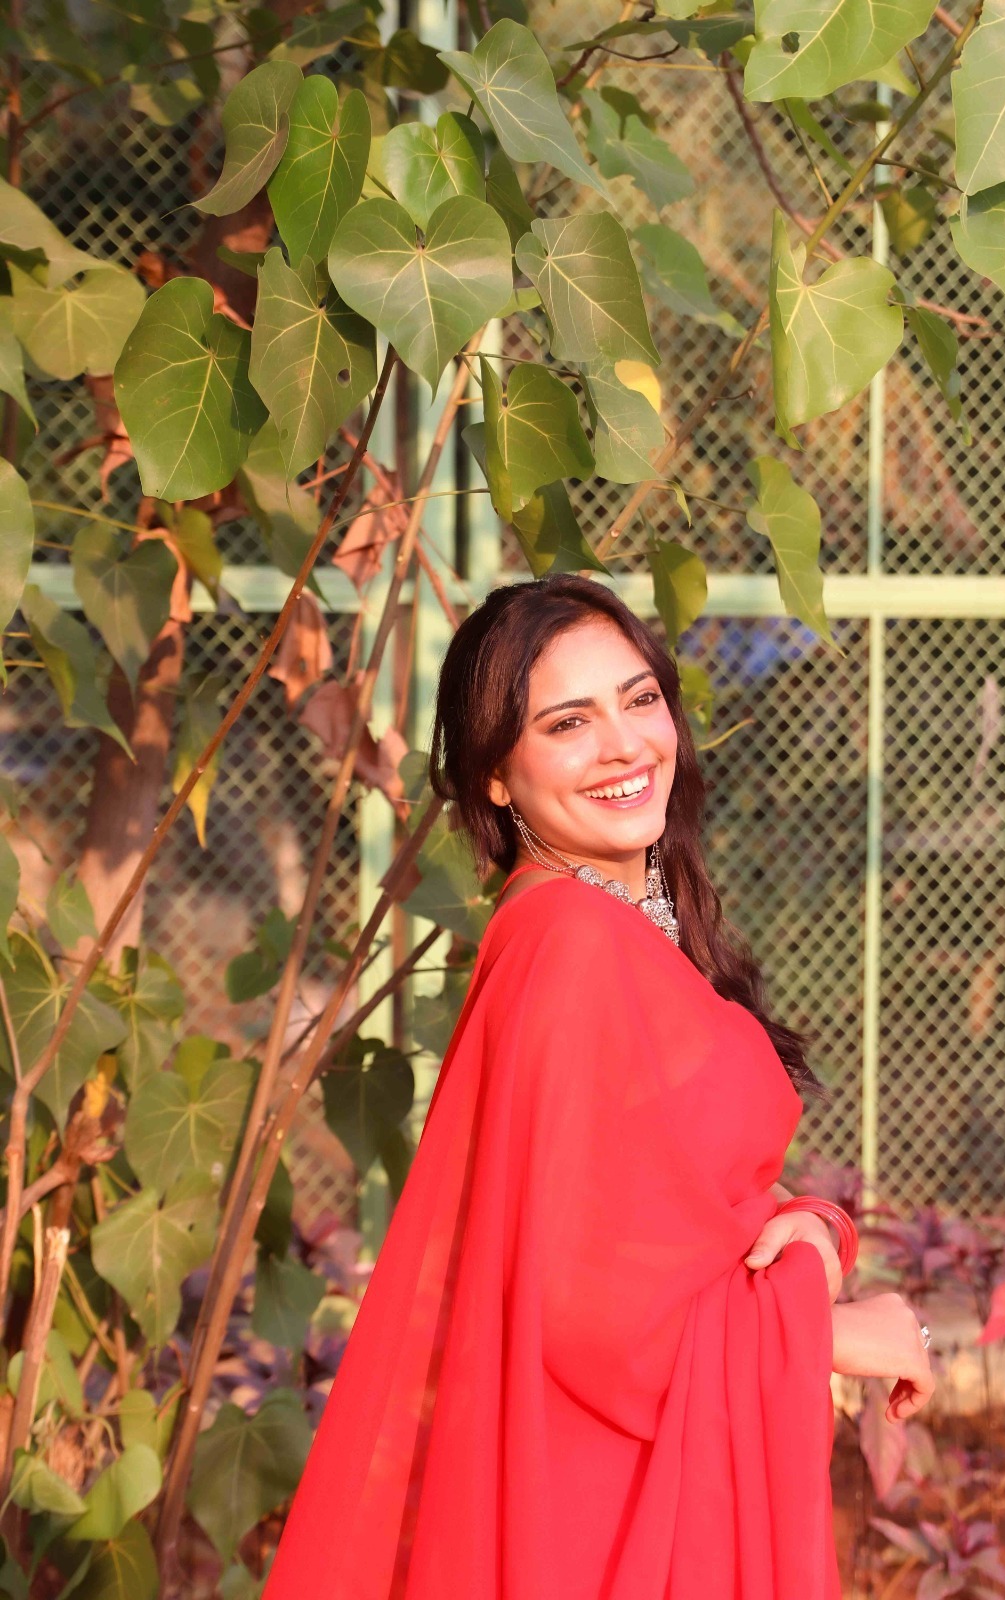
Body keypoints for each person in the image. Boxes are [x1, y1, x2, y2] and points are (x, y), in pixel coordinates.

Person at [263, 573, 934, 1599]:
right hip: (607, 1502)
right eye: (568, 722)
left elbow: (651, 1204)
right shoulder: (569, 939)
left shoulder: (597, 925)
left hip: (618, 1474)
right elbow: (589, 1304)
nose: (624, 744)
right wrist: (840, 1331)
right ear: (495, 776)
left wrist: (810, 1227)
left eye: (639, 698)